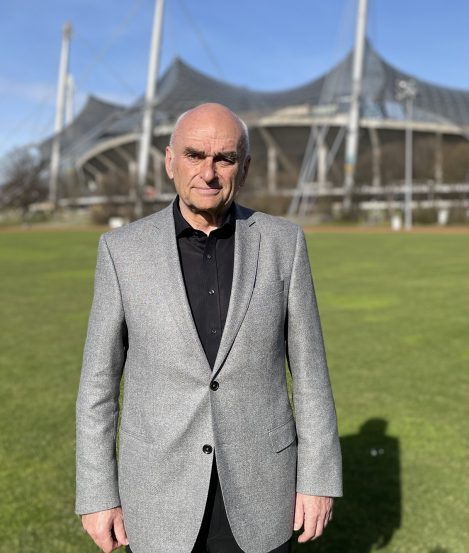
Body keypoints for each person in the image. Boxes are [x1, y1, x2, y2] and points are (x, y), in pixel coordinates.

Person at [76, 103, 342, 553]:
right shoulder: (122, 251)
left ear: (245, 167)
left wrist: (318, 479)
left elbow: (310, 375)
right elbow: (98, 386)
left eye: (225, 158)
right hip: (157, 494)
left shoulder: (284, 243)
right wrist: (97, 494)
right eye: (195, 155)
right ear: (170, 161)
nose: (209, 172)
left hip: (263, 489)